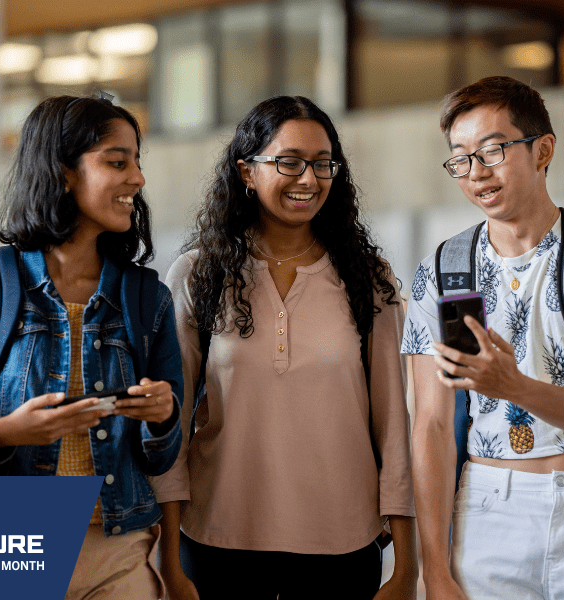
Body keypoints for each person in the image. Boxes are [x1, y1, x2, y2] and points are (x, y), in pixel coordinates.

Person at [0, 94, 183, 599]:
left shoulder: (150, 299)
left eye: (137, 163)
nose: (138, 179)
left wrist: (164, 416)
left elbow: (164, 456)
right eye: (117, 162)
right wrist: (8, 432)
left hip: (118, 549)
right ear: (62, 173)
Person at [152, 95, 417, 600]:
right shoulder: (197, 275)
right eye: (289, 162)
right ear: (246, 172)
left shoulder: (368, 279)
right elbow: (172, 425)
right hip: (217, 543)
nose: (309, 179)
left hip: (344, 545)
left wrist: (407, 565)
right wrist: (169, 564)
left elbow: (393, 426)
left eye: (322, 164)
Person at [405, 75, 564, 599]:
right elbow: (429, 426)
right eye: (460, 158)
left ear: (543, 150)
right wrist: (435, 570)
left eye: (492, 151)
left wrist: (511, 384)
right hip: (488, 513)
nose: (476, 172)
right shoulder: (447, 272)